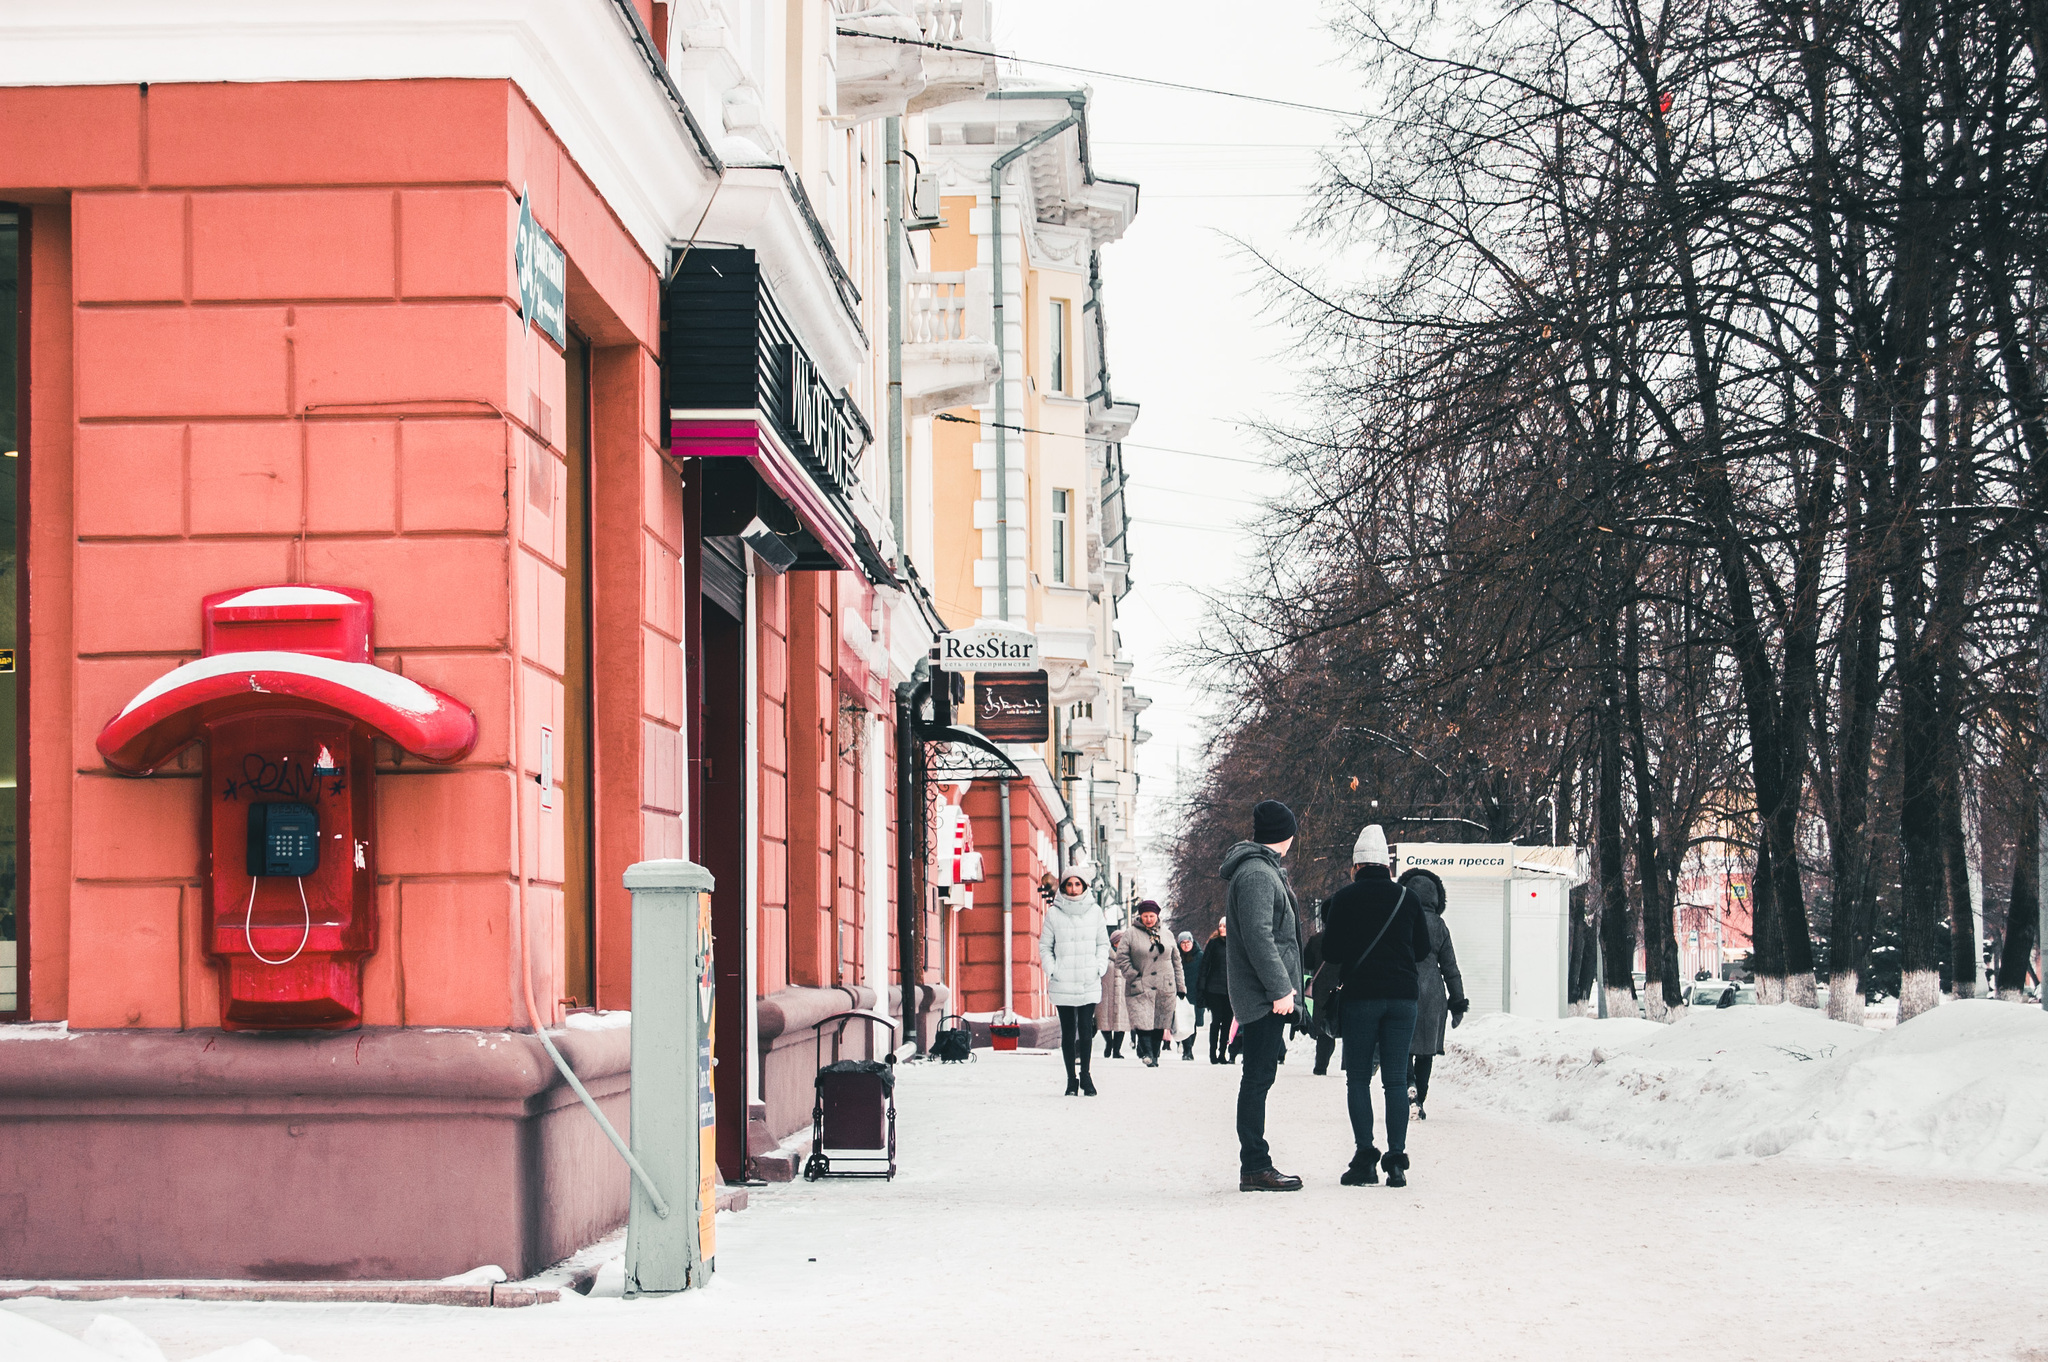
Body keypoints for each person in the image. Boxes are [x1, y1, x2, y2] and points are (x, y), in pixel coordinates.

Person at [1320, 824, 1432, 1189]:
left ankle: (1365, 1158)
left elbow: (1331, 953)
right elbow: (1421, 950)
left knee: (1357, 1079)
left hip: (1360, 999)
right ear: (1388, 865)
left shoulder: (1343, 900)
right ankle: (1396, 1162)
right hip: (1402, 998)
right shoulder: (1408, 899)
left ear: (1356, 866)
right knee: (1396, 1080)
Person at [1221, 799, 1306, 1192]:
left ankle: (1256, 1164)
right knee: (1256, 1080)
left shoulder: (1262, 869)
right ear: (1284, 835)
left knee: (1259, 1078)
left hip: (1266, 994)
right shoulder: (1257, 873)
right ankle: (1255, 1166)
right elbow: (1260, 937)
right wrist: (1280, 990)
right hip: (1264, 997)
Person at [1398, 868, 1467, 1120]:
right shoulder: (1439, 925)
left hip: (1405, 989)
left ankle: (1409, 1088)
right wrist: (1457, 1003)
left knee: (1402, 1045)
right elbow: (1451, 967)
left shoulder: (1402, 919)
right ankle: (1421, 1099)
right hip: (1434, 996)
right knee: (1426, 1052)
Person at [1041, 868, 1111, 1096]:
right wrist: (1053, 970)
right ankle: (1071, 1079)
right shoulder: (1054, 914)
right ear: (1063, 887)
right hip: (1063, 980)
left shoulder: (1095, 912)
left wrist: (1098, 968)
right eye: (1069, 884)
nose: (1073, 888)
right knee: (1068, 1032)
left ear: (1084, 886)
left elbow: (1103, 944)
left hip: (1088, 979)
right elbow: (1045, 947)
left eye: (1077, 884)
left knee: (1085, 1029)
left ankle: (1086, 1076)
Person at [1115, 900, 1185, 1066]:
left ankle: (1154, 1055)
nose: (1148, 919)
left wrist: (1180, 986)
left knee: (1160, 1023)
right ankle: (1147, 1052)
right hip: (1140, 985)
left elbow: (1176, 961)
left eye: (1152, 916)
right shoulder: (1130, 934)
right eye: (1145, 916)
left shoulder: (1167, 934)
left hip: (1164, 986)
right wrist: (1133, 974)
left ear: (1157, 916)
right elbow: (1121, 958)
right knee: (1141, 1021)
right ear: (1140, 916)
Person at [1302, 914, 1337, 1075]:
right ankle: (1351, 1066)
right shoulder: (1348, 940)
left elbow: (1307, 963)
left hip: (1322, 990)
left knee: (1324, 1028)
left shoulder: (1317, 940)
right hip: (1342, 988)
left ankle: (1320, 1066)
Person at [1198, 923, 1234, 1063]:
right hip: (1214, 989)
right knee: (1216, 1020)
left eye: (1226, 926)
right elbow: (1205, 965)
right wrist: (1202, 988)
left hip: (1230, 990)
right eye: (1220, 926)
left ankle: (1222, 1054)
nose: (1222, 928)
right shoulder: (1213, 944)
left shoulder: (1236, 944)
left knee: (1227, 1022)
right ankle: (1212, 1053)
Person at [1099, 930, 1130, 1058]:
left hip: (1123, 994)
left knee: (1120, 1024)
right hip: (1106, 994)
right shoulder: (1104, 956)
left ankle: (1117, 1051)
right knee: (1104, 1023)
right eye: (1119, 941)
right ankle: (1109, 1043)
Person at [1176, 931, 1203, 1060]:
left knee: (1193, 1023)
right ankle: (1186, 1050)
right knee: (1183, 1021)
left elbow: (1204, 974)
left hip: (1196, 993)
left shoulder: (1200, 956)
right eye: (1183, 943)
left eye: (1188, 942)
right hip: (1181, 994)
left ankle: (1189, 1048)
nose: (1186, 945)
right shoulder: (1176, 957)